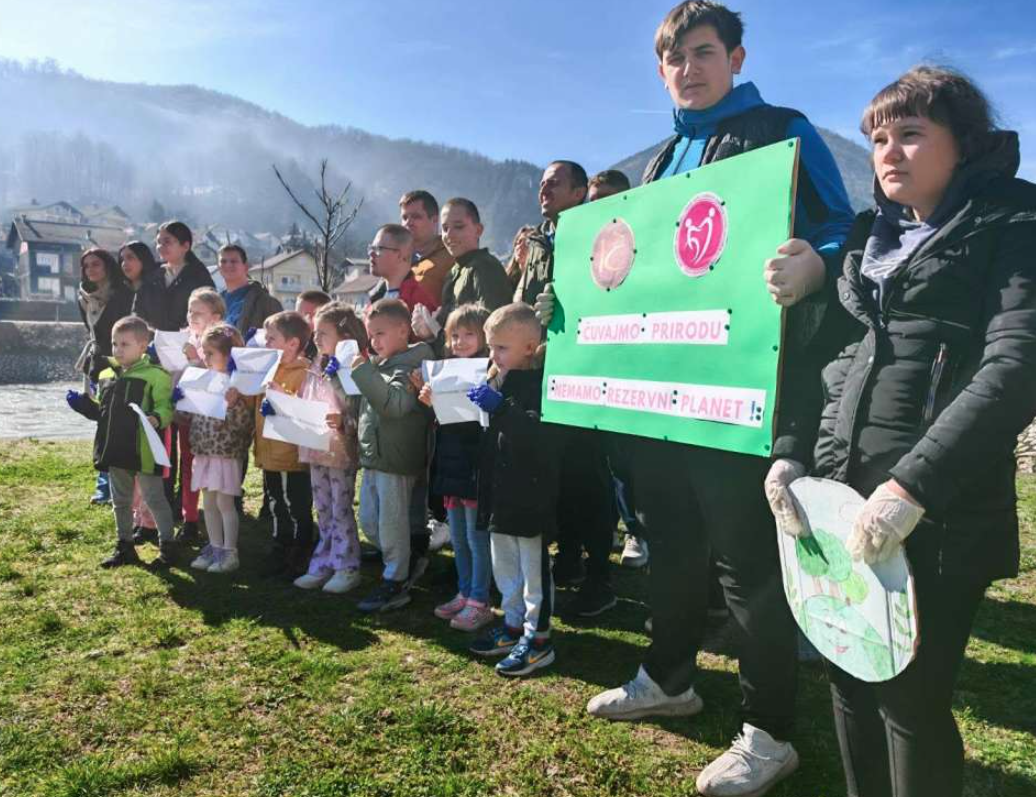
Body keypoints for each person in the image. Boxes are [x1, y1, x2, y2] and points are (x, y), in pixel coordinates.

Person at [581, 5, 855, 796]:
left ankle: (769, 730)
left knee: (745, 563)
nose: (689, 68)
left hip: (745, 390)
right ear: (661, 70)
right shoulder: (664, 161)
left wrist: (819, 266)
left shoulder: (783, 130)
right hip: (666, 396)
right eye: (675, 58)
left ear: (736, 56)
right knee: (669, 545)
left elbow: (845, 224)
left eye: (704, 53)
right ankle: (669, 676)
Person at [766, 65, 1036, 797]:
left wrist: (914, 483)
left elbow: (1017, 364)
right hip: (837, 506)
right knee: (849, 677)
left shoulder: (1013, 221)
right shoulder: (866, 239)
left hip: (939, 512)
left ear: (966, 141)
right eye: (879, 137)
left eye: (911, 133)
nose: (888, 151)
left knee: (909, 699)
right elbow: (829, 359)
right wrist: (791, 454)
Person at [513, 160, 619, 616]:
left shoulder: (599, 235)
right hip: (541, 371)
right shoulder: (537, 240)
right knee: (559, 476)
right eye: (541, 184)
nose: (544, 190)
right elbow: (523, 294)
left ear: (580, 192)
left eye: (555, 183)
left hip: (585, 370)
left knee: (589, 478)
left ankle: (601, 576)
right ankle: (569, 560)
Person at [468, 303, 561, 675]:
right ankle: (511, 625)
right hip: (500, 494)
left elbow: (538, 435)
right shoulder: (498, 379)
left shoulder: (542, 384)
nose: (493, 355)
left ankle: (538, 638)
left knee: (533, 572)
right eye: (491, 347)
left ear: (529, 346)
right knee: (504, 566)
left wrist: (502, 408)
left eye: (501, 348)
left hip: (529, 496)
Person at [65, 315, 177, 568]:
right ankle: (124, 546)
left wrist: (157, 418)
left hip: (144, 449)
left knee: (155, 498)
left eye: (125, 344)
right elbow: (102, 414)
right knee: (121, 501)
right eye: (115, 344)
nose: (118, 350)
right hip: (115, 449)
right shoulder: (107, 374)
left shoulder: (156, 376)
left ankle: (168, 547)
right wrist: (84, 406)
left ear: (143, 345)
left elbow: (166, 407)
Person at [350, 299, 434, 612]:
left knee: (391, 523)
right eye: (371, 335)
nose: (374, 341)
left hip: (397, 461)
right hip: (375, 457)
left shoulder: (412, 363)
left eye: (380, 333)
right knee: (370, 522)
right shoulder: (382, 364)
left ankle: (395, 580)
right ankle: (408, 561)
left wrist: (363, 372)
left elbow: (395, 406)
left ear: (403, 330)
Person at [415, 304, 494, 632]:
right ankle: (464, 593)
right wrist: (431, 402)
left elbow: (486, 423)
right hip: (450, 464)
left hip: (475, 467)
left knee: (477, 538)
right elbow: (444, 420)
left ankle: (480, 600)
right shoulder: (443, 372)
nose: (460, 342)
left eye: (468, 335)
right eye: (454, 336)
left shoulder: (489, 371)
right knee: (459, 537)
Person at [293, 303, 366, 594]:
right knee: (322, 507)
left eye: (323, 333)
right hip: (315, 445)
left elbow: (360, 408)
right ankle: (323, 561)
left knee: (340, 507)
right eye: (316, 333)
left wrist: (343, 419)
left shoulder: (354, 366)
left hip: (341, 449)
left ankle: (347, 565)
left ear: (345, 335)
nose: (317, 339)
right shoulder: (318, 364)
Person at [235, 311, 314, 576]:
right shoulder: (267, 368)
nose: (265, 344)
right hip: (268, 451)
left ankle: (301, 548)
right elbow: (253, 401)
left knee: (296, 504)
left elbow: (303, 410)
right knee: (275, 502)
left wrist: (282, 395)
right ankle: (281, 545)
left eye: (271, 338)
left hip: (290, 455)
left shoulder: (304, 373)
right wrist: (239, 387)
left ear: (292, 344)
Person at [182, 323, 254, 574]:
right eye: (204, 352)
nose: (205, 357)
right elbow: (193, 414)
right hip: (204, 451)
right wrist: (182, 399)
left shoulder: (238, 386)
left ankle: (229, 552)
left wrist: (234, 405)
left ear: (229, 355)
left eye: (210, 353)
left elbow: (245, 425)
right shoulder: (204, 379)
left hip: (225, 453)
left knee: (225, 503)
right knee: (209, 502)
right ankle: (214, 546)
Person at [412, 198, 513, 351]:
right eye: (445, 228)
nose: (449, 235)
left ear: (478, 230)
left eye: (458, 227)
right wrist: (431, 331)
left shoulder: (485, 267)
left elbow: (494, 330)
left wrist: (435, 332)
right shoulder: (454, 272)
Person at [75, 247, 133, 506]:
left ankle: (118, 487)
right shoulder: (84, 297)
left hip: (121, 363)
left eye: (96, 264)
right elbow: (93, 334)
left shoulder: (122, 294)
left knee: (116, 424)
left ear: (108, 266)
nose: (91, 270)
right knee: (102, 423)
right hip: (98, 364)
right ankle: (104, 486)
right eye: (86, 265)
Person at [172, 287, 227, 544]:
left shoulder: (221, 342)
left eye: (198, 313)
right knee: (187, 464)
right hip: (185, 411)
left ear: (215, 317)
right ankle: (190, 518)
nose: (192, 316)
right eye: (189, 311)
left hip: (209, 416)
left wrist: (195, 361)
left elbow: (219, 376)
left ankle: (218, 516)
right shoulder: (184, 338)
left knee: (209, 467)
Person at [133, 220, 215, 332]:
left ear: (185, 246)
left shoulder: (199, 276)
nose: (160, 247)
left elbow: (208, 313)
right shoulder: (152, 276)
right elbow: (138, 311)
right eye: (158, 242)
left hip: (185, 343)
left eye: (167, 242)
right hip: (151, 342)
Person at [367, 224, 441, 315]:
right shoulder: (375, 297)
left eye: (379, 249)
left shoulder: (420, 302)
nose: (371, 253)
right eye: (371, 248)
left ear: (401, 255)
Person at [400, 189, 456, 304]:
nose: (408, 223)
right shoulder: (399, 257)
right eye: (404, 217)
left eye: (416, 217)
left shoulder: (451, 256)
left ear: (434, 220)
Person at [217, 244, 282, 335]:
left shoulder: (266, 303)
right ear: (218, 267)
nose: (228, 265)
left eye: (233, 261)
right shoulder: (215, 302)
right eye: (223, 261)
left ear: (246, 267)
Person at [296, 290, 332, 360]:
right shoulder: (293, 337)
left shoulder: (327, 344)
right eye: (298, 314)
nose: (301, 320)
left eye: (308, 315)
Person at [503, 225, 535, 292]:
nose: (521, 246)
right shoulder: (505, 280)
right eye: (519, 241)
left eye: (527, 243)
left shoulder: (539, 279)